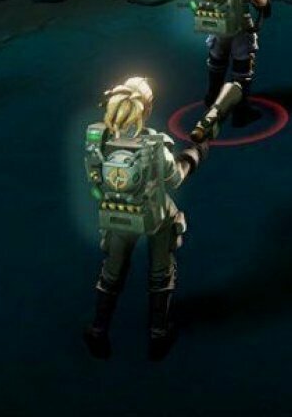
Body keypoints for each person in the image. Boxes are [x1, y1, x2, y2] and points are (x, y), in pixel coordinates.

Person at [81, 77, 210, 361]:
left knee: (112, 272)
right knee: (161, 271)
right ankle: (158, 334)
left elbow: (94, 180)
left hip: (116, 211)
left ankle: (98, 330)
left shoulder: (97, 138)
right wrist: (194, 154)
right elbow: (175, 178)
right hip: (154, 215)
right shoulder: (154, 143)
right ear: (146, 109)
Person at [196, 0, 277, 127]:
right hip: (239, 27)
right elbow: (260, 1)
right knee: (242, 70)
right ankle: (241, 113)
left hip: (216, 23)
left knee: (216, 63)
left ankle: (212, 101)